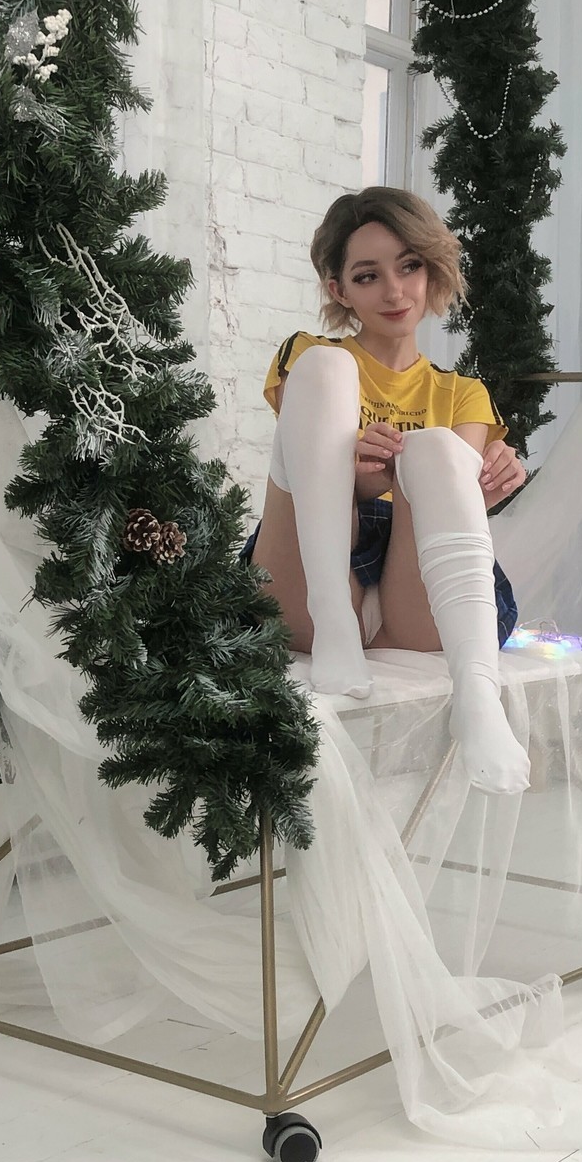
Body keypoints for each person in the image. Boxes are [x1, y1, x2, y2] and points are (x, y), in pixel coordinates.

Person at [238, 186, 530, 794]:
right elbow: (315, 473)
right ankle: (334, 624)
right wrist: (361, 477)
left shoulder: (463, 394)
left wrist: (479, 488)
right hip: (316, 569)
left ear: (431, 271)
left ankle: (478, 696)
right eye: (368, 276)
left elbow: (451, 494)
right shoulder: (309, 358)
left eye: (409, 267)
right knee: (326, 369)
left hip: (420, 584)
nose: (394, 292)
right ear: (339, 290)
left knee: (439, 448)